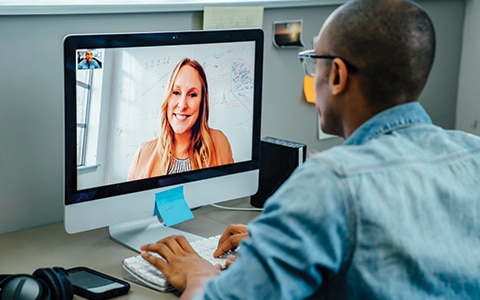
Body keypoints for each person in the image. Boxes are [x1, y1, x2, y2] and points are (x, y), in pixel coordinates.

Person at [140, 0, 480, 298]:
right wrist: (284, 238)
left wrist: (199, 273)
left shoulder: (328, 183)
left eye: (313, 61)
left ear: (337, 76)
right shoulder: (473, 153)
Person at [128, 58, 233, 180]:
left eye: (192, 94)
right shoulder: (143, 154)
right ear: (167, 97)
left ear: (202, 102)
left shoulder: (219, 143)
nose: (182, 105)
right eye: (176, 92)